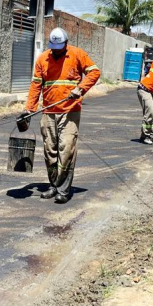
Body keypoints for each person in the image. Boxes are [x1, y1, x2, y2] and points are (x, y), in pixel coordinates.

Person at [25, 28, 101, 204]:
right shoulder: (43, 58)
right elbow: (36, 86)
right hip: (48, 112)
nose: (56, 50)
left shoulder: (77, 54)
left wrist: (80, 89)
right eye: (54, 47)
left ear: (66, 43)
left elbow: (94, 72)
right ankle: (53, 185)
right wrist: (29, 109)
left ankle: (63, 189)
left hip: (70, 111)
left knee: (66, 150)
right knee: (50, 151)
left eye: (59, 46)